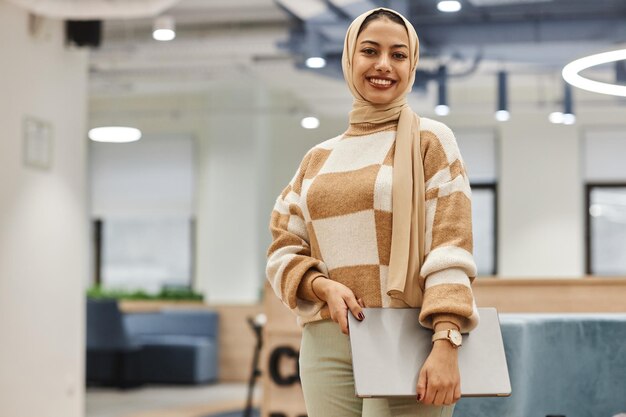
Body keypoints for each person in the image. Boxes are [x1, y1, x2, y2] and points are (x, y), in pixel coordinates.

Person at [266, 7, 479, 417]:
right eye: (370, 51)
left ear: (412, 64)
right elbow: (281, 250)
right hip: (326, 341)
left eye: (398, 55)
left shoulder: (431, 141)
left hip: (407, 337)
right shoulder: (317, 158)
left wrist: (447, 339)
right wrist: (320, 286)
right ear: (350, 59)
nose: (384, 65)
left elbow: (450, 246)